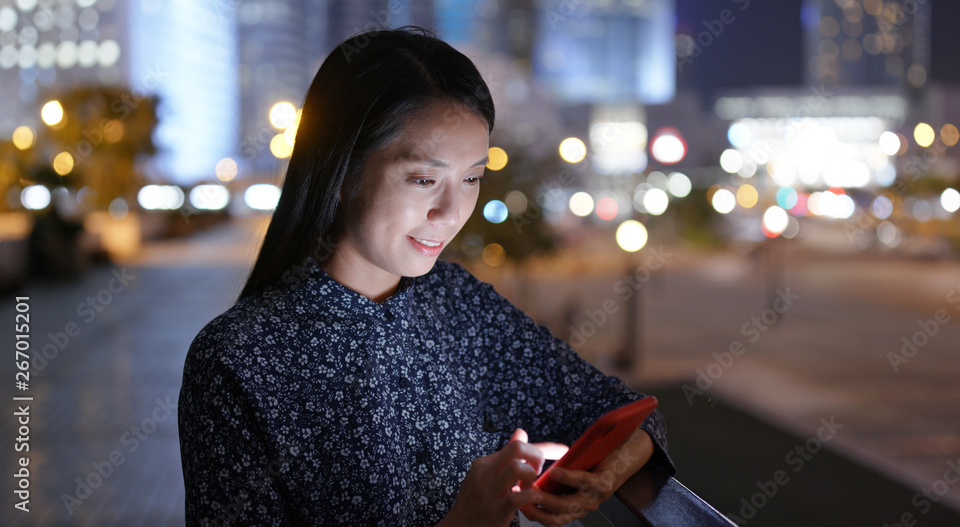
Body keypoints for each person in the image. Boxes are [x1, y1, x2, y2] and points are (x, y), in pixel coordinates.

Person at [178, 27, 674, 527]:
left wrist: (600, 480)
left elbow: (621, 411)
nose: (451, 212)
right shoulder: (238, 359)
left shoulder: (455, 302)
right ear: (342, 172)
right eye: (423, 179)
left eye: (472, 178)